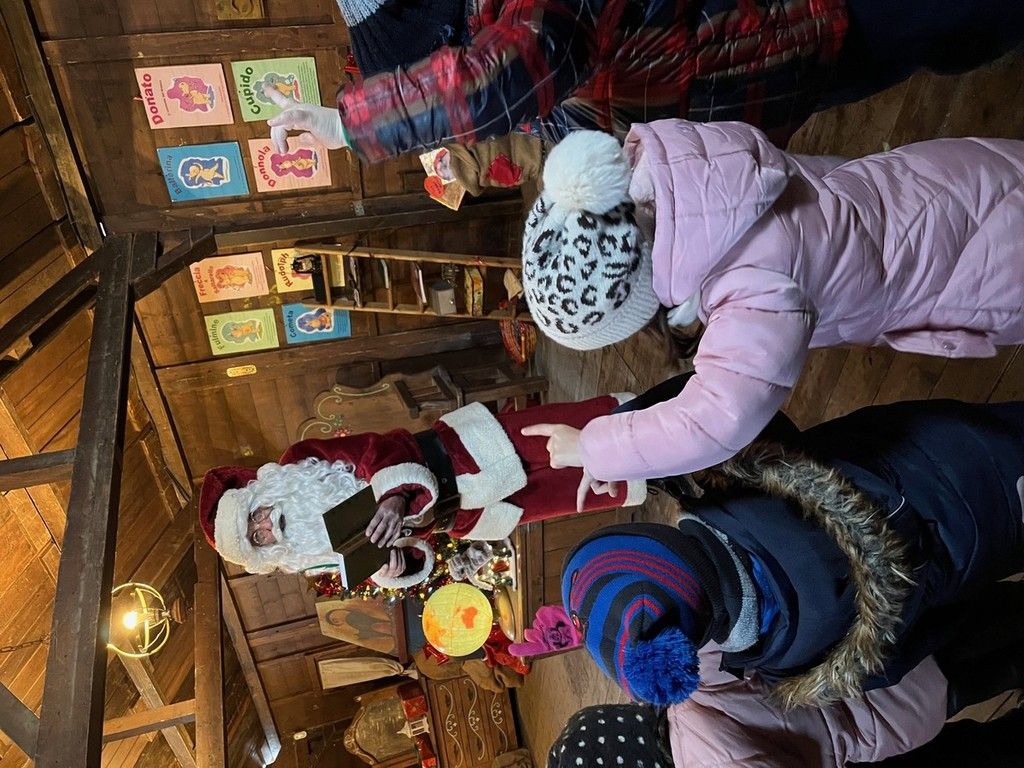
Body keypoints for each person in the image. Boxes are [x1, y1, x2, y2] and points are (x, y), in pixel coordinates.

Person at [518, 121, 1024, 484]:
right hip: (936, 180)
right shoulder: (689, 176)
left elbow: (713, 420)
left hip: (974, 265)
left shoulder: (751, 288)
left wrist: (593, 448)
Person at [562, 398, 1024, 709]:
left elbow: (927, 637)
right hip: (957, 447)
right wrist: (616, 442)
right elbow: (721, 399)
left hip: (982, 551)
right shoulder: (743, 478)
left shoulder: (791, 665)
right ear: (659, 540)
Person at [260, 0, 1024, 164]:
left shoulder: (525, 21)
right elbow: (561, 111)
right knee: (939, 47)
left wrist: (349, 123)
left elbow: (513, 72)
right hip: (773, 75)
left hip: (798, 26)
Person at [197, 395, 646, 588]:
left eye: (254, 517)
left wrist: (393, 496)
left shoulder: (299, 462)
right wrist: (396, 565)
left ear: (256, 497)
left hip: (466, 451)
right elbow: (417, 544)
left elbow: (375, 449)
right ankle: (656, 471)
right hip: (465, 516)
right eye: (258, 538)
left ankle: (653, 420)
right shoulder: (313, 552)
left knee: (575, 431)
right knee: (576, 493)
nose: (266, 527)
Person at [548, 615, 1024, 768]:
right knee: (998, 620)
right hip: (882, 649)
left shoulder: (709, 762)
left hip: (897, 713)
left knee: (993, 673)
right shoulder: (689, 687)